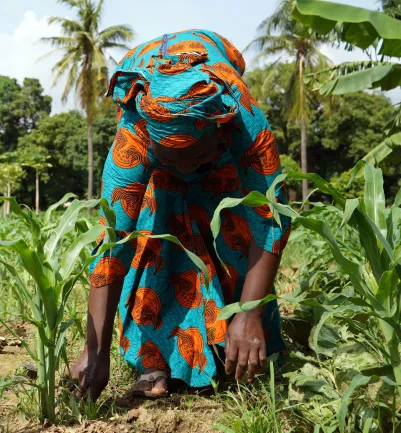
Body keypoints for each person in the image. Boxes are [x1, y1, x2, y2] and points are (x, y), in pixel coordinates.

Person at [70, 29, 292, 400]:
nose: (189, 171)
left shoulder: (241, 118)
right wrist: (95, 351)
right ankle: (154, 358)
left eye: (197, 159)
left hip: (225, 167)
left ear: (218, 133)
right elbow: (111, 248)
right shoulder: (135, 136)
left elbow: (272, 217)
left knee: (236, 230)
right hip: (164, 168)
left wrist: (250, 312)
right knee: (154, 235)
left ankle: (239, 339)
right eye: (177, 161)